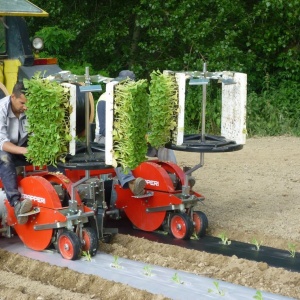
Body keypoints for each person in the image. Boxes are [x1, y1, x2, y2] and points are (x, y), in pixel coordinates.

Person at [95, 70, 146, 196]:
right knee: (117, 146)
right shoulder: (105, 99)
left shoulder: (128, 99)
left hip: (125, 137)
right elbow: (104, 130)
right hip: (104, 138)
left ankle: (174, 176)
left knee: (159, 145)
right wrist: (126, 137)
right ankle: (130, 182)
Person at [0, 82, 33, 224]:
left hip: (20, 146)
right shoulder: (1, 108)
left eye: (27, 104)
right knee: (4, 157)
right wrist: (23, 150)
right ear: (13, 96)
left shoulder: (28, 109)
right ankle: (16, 204)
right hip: (3, 148)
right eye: (22, 103)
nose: (25, 107)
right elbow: (2, 142)